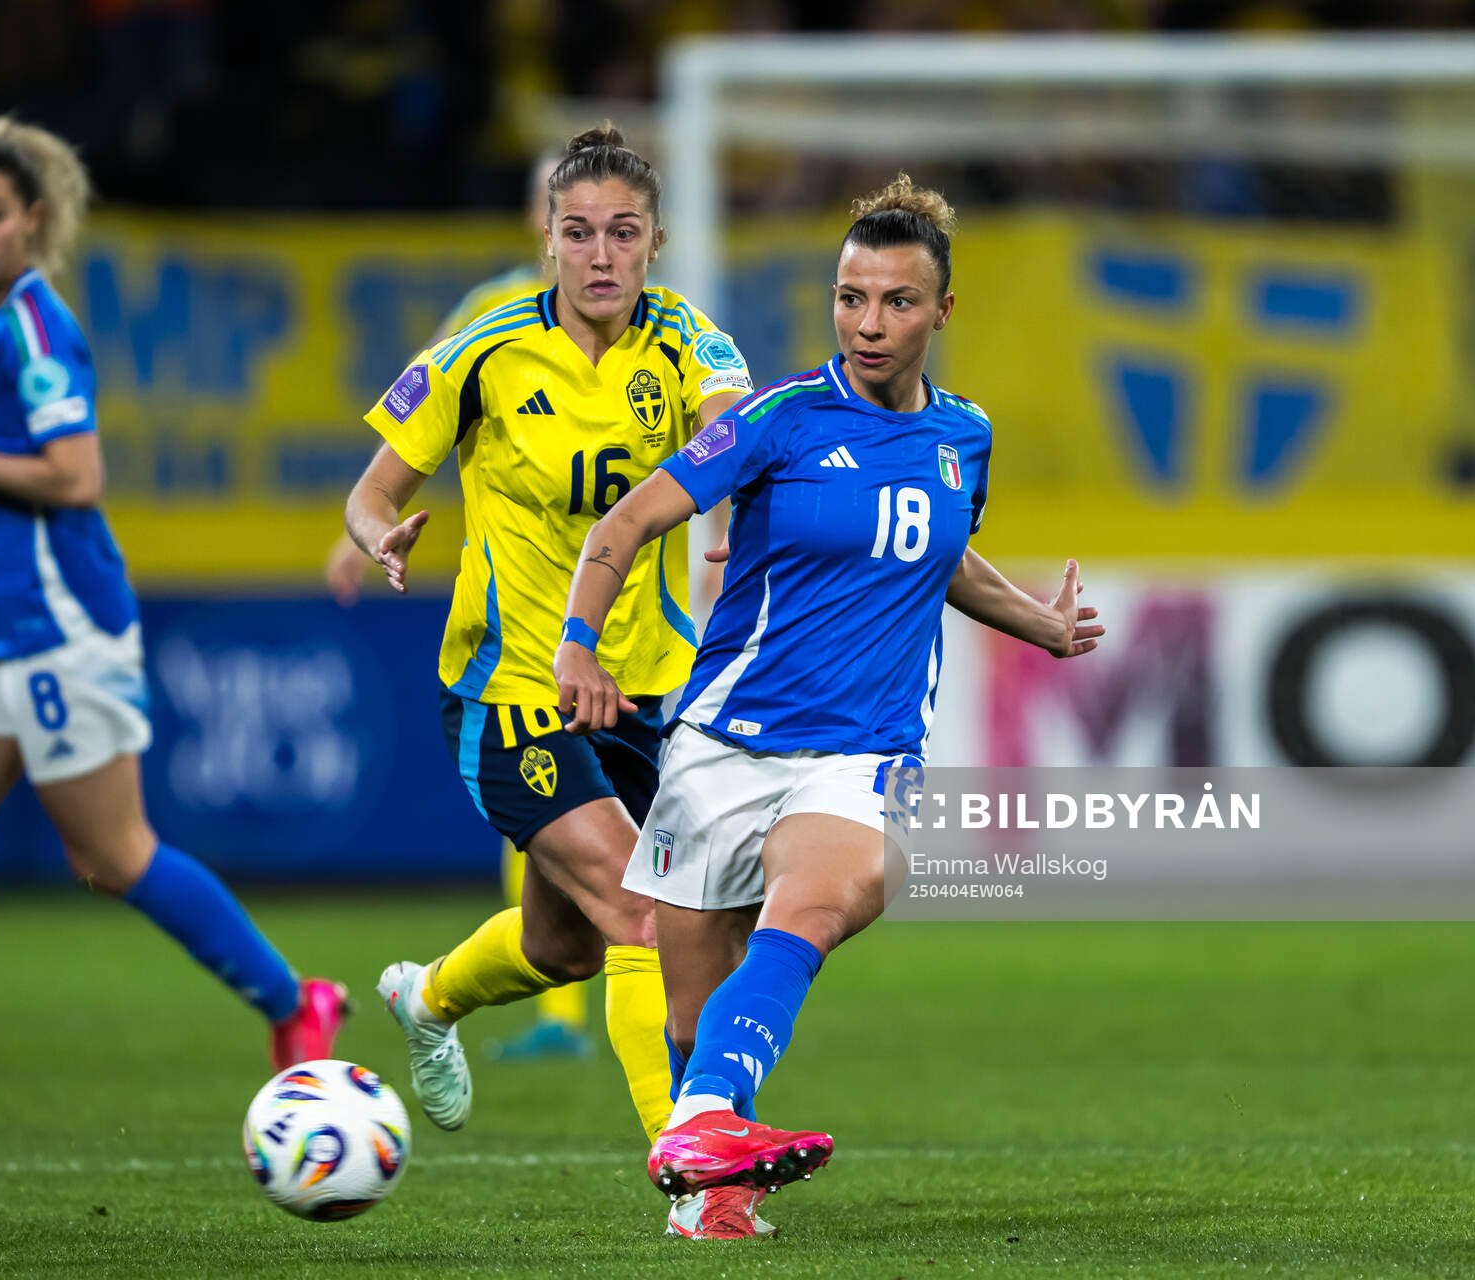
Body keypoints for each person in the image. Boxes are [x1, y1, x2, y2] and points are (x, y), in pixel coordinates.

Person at [552, 175, 1104, 1213]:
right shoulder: (775, 419)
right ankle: (708, 1181)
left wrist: (1036, 619)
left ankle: (707, 1119)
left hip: (864, 750)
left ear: (944, 309)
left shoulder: (965, 435)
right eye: (851, 297)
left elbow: (933, 551)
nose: (869, 322)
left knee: (812, 904)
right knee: (691, 1011)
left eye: (897, 301)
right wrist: (579, 643)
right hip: (723, 742)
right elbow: (620, 526)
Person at [0, 117, 347, 1136]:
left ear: (33, 223)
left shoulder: (33, 325)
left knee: (113, 854)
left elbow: (76, 475)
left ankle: (294, 999)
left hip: (63, 624)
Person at [345, 124, 769, 1239]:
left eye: (623, 234)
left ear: (655, 243)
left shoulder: (690, 345)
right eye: (578, 232)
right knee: (643, 911)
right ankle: (699, 1181)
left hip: (646, 690)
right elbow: (370, 491)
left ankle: (427, 996)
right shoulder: (483, 350)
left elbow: (734, 432)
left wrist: (738, 519)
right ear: (548, 238)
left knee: (567, 943)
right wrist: (383, 535)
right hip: (507, 691)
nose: (599, 255)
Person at [323, 155, 594, 1064]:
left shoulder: (660, 333)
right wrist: (362, 529)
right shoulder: (487, 319)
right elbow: (410, 440)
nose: (594, 239)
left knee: (628, 898)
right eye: (564, 207)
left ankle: (456, 998)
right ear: (538, 214)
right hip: (521, 634)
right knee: (630, 889)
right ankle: (696, 1156)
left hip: (635, 648)